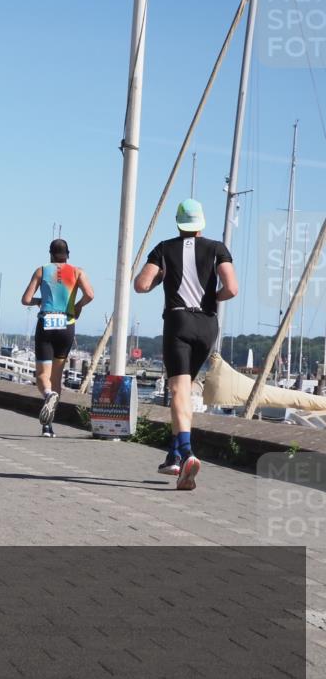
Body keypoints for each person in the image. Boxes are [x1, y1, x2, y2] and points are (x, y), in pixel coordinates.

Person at [134, 199, 237, 490]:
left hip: (178, 322)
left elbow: (141, 285)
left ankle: (188, 453)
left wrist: (161, 277)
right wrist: (212, 298)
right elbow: (232, 288)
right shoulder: (217, 248)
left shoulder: (164, 248)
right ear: (201, 223)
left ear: (179, 224)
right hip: (207, 325)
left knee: (178, 389)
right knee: (185, 388)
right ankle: (174, 457)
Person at [21, 239, 94, 438]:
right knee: (56, 377)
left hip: (46, 323)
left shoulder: (41, 271)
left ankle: (48, 397)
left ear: (51, 254)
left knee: (42, 377)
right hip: (66, 325)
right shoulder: (78, 272)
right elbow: (90, 294)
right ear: (67, 254)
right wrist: (77, 306)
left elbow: (25, 299)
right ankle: (49, 426)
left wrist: (39, 301)